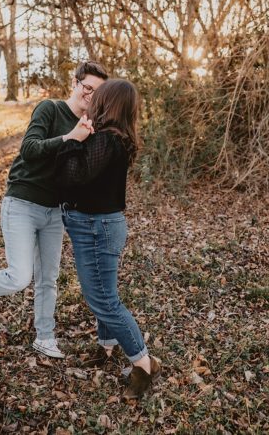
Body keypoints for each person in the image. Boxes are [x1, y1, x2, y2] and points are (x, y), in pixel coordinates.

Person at [0, 61, 109, 359]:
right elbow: (29, 150)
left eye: (98, 93)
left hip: (55, 211)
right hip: (22, 203)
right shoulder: (49, 109)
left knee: (48, 279)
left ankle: (45, 337)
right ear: (75, 83)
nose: (90, 96)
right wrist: (70, 138)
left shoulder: (91, 127)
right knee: (19, 277)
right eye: (87, 88)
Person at [54, 78, 161, 399]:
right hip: (98, 224)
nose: (93, 100)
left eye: (98, 97)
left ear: (108, 103)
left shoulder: (106, 140)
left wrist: (72, 140)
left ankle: (143, 363)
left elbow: (74, 176)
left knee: (102, 298)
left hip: (95, 227)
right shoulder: (117, 138)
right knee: (104, 293)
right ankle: (107, 348)